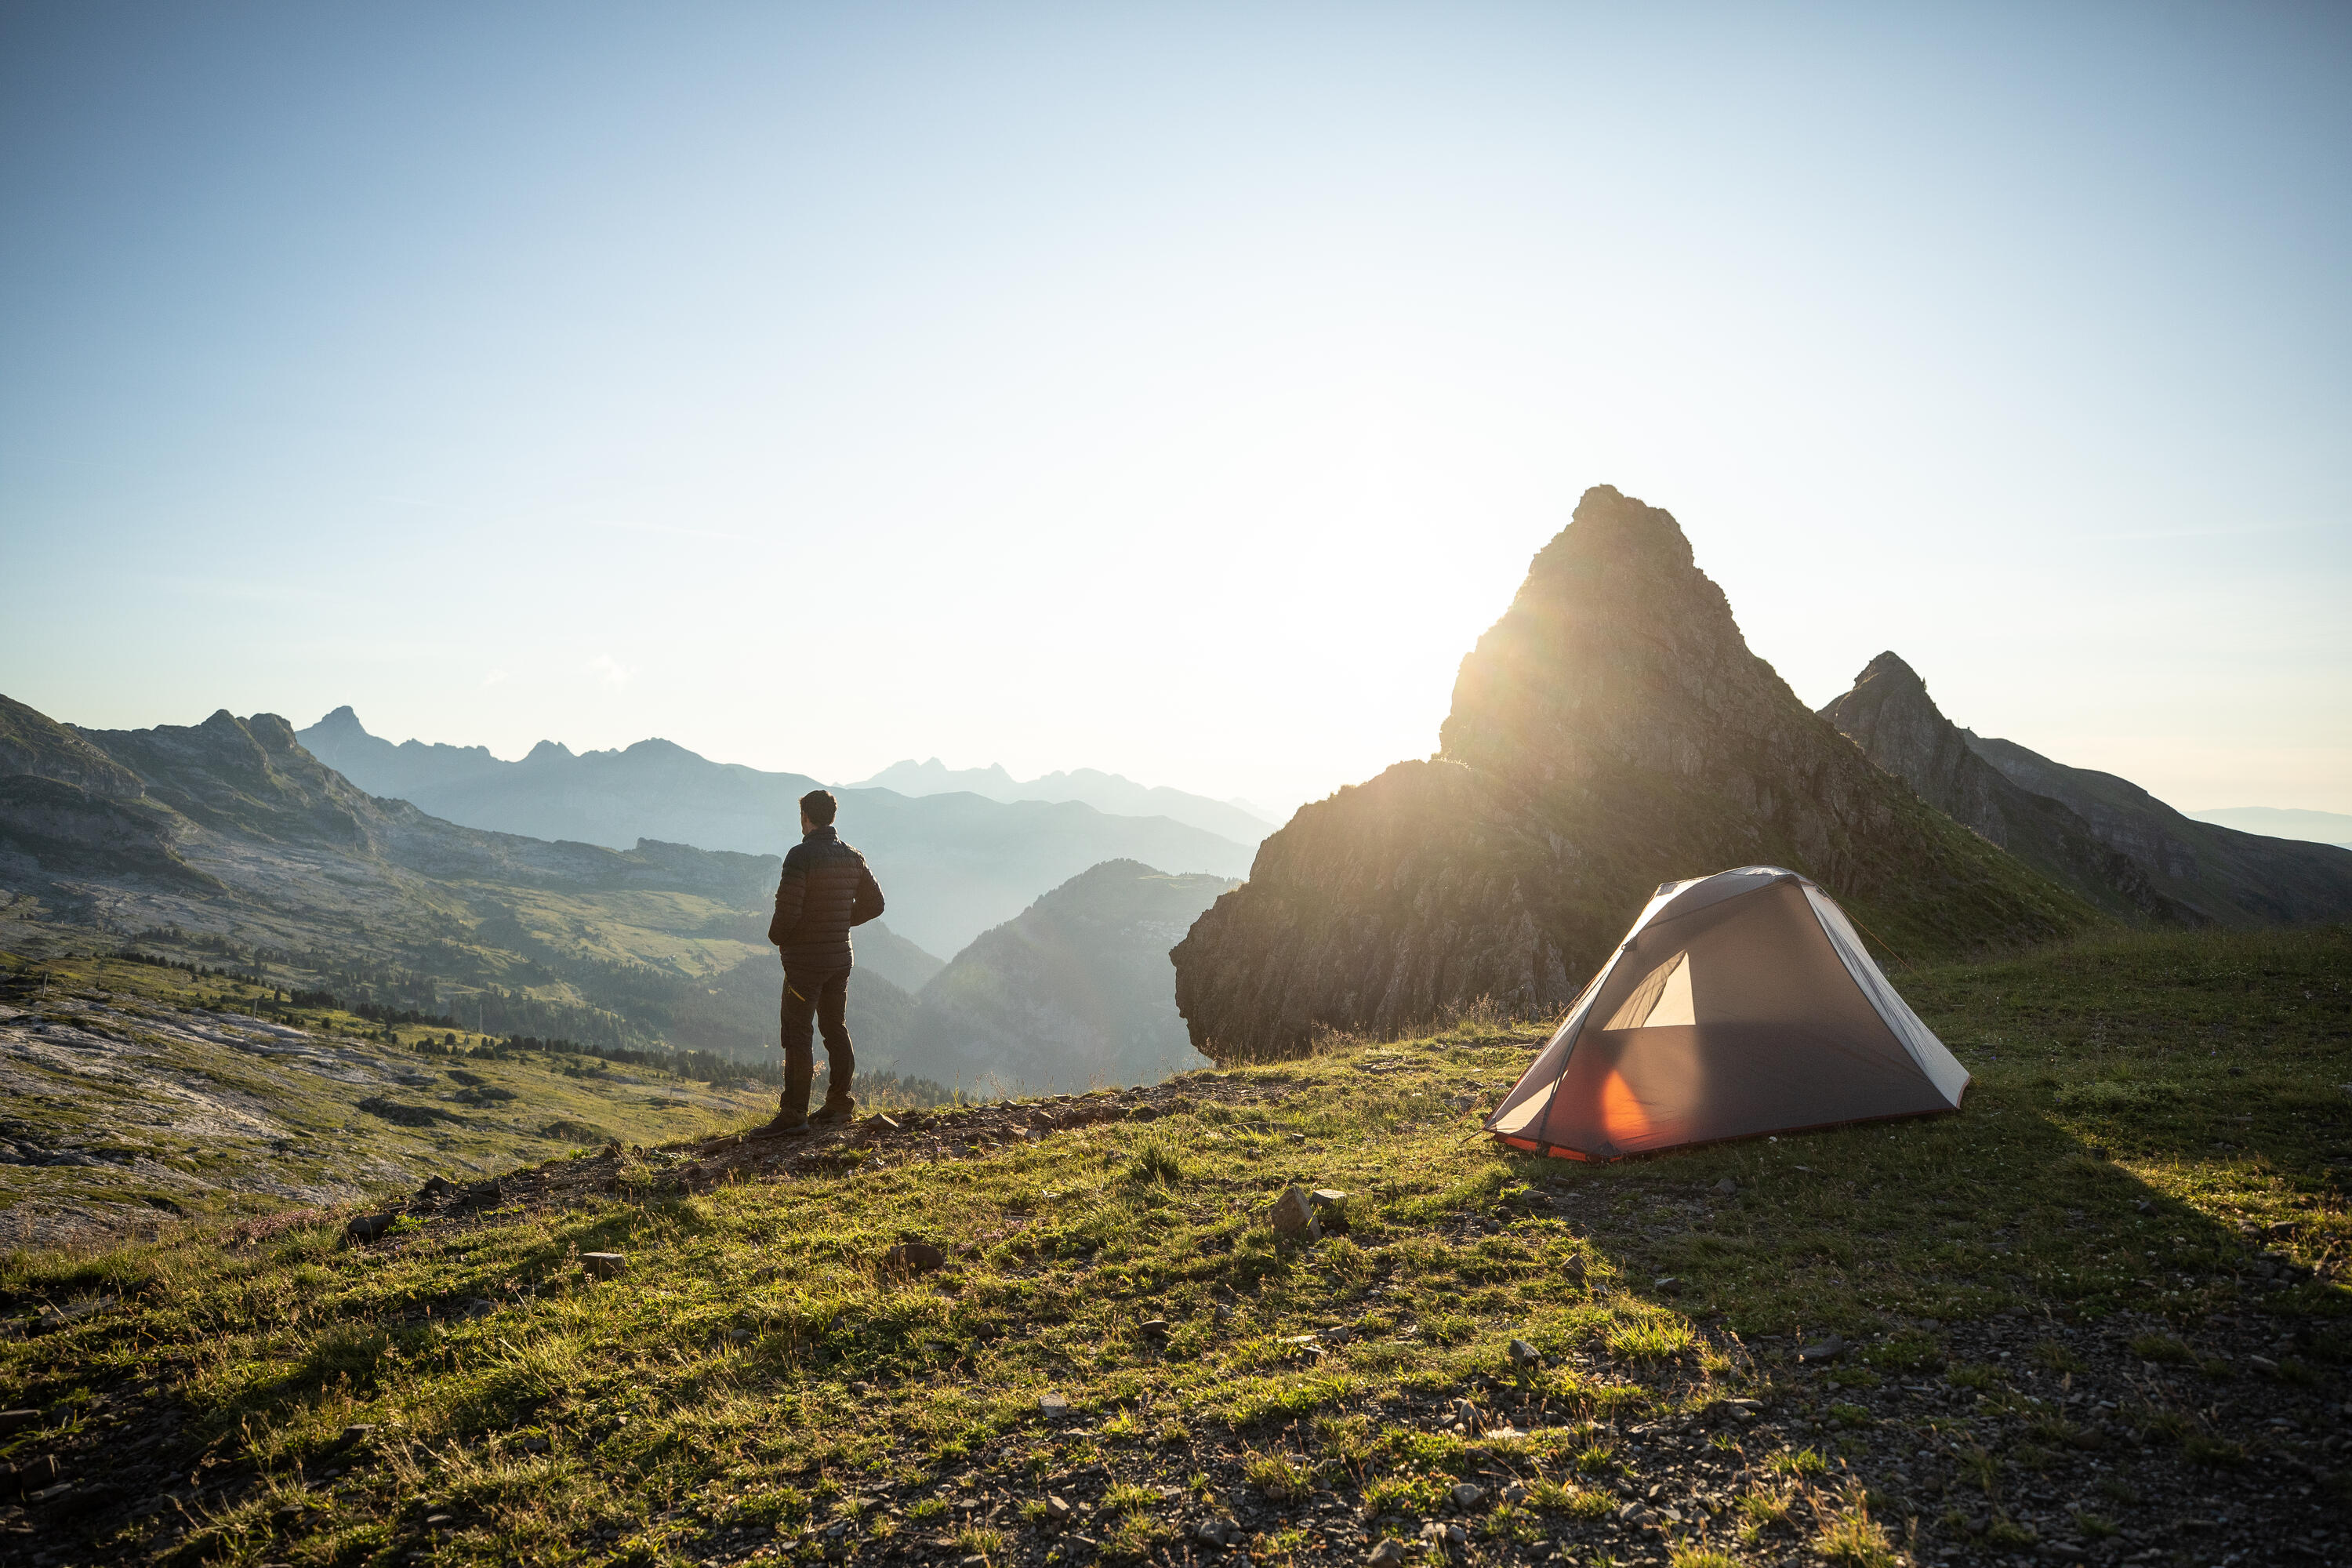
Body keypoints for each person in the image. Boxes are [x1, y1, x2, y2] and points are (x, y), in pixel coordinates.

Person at [755, 788, 885, 1135]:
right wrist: (840, 920)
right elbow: (876, 904)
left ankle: (794, 1116)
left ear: (806, 817)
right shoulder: (852, 857)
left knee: (797, 1035)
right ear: (832, 817)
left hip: (805, 964)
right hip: (840, 958)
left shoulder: (800, 857)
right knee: (834, 1028)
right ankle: (839, 1104)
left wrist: (779, 937)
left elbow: (787, 913)